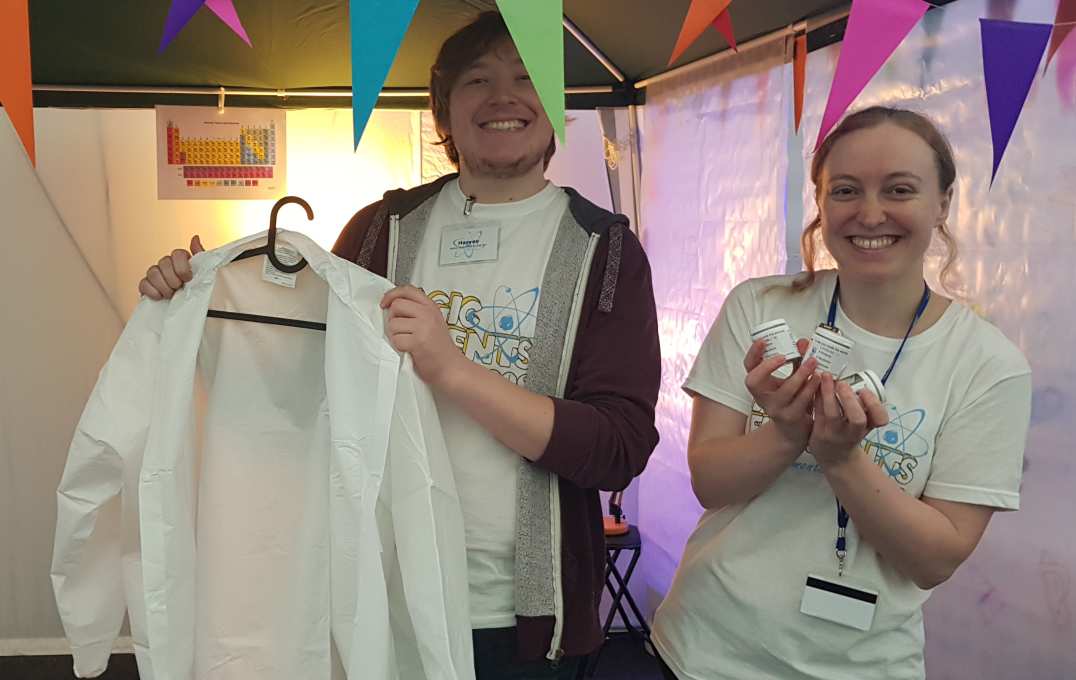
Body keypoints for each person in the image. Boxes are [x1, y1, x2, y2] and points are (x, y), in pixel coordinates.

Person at [137, 10, 660, 680]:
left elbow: (618, 448)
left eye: (526, 77)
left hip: (524, 618)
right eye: (477, 80)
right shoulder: (383, 228)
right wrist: (206, 302)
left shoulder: (606, 249)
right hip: (380, 595)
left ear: (555, 104)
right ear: (443, 114)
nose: (503, 95)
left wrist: (454, 372)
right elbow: (301, 379)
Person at [651, 107, 1031, 680]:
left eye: (899, 189)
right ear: (822, 204)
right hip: (706, 648)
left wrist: (840, 458)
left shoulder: (988, 365)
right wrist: (784, 434)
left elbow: (935, 558)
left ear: (944, 203)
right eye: (846, 190)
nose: (870, 213)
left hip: (861, 664)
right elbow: (710, 481)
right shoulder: (761, 307)